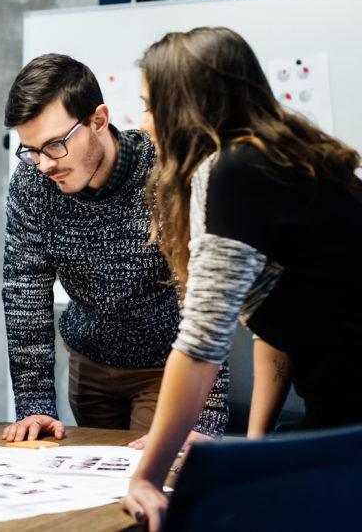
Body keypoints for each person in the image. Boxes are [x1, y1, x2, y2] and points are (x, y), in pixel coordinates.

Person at [123, 27, 362, 529]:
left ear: (185, 105)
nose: (144, 124)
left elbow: (200, 345)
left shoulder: (234, 170)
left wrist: (147, 476)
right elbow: (281, 319)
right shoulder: (290, 156)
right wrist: (258, 446)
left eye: (150, 105)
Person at [0, 53, 228, 445]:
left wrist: (205, 420)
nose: (43, 165)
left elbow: (203, 298)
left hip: (166, 365)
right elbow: (25, 291)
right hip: (88, 364)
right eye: (31, 149)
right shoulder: (32, 183)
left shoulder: (165, 174)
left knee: (153, 478)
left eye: (54, 145)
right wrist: (35, 402)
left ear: (98, 120)